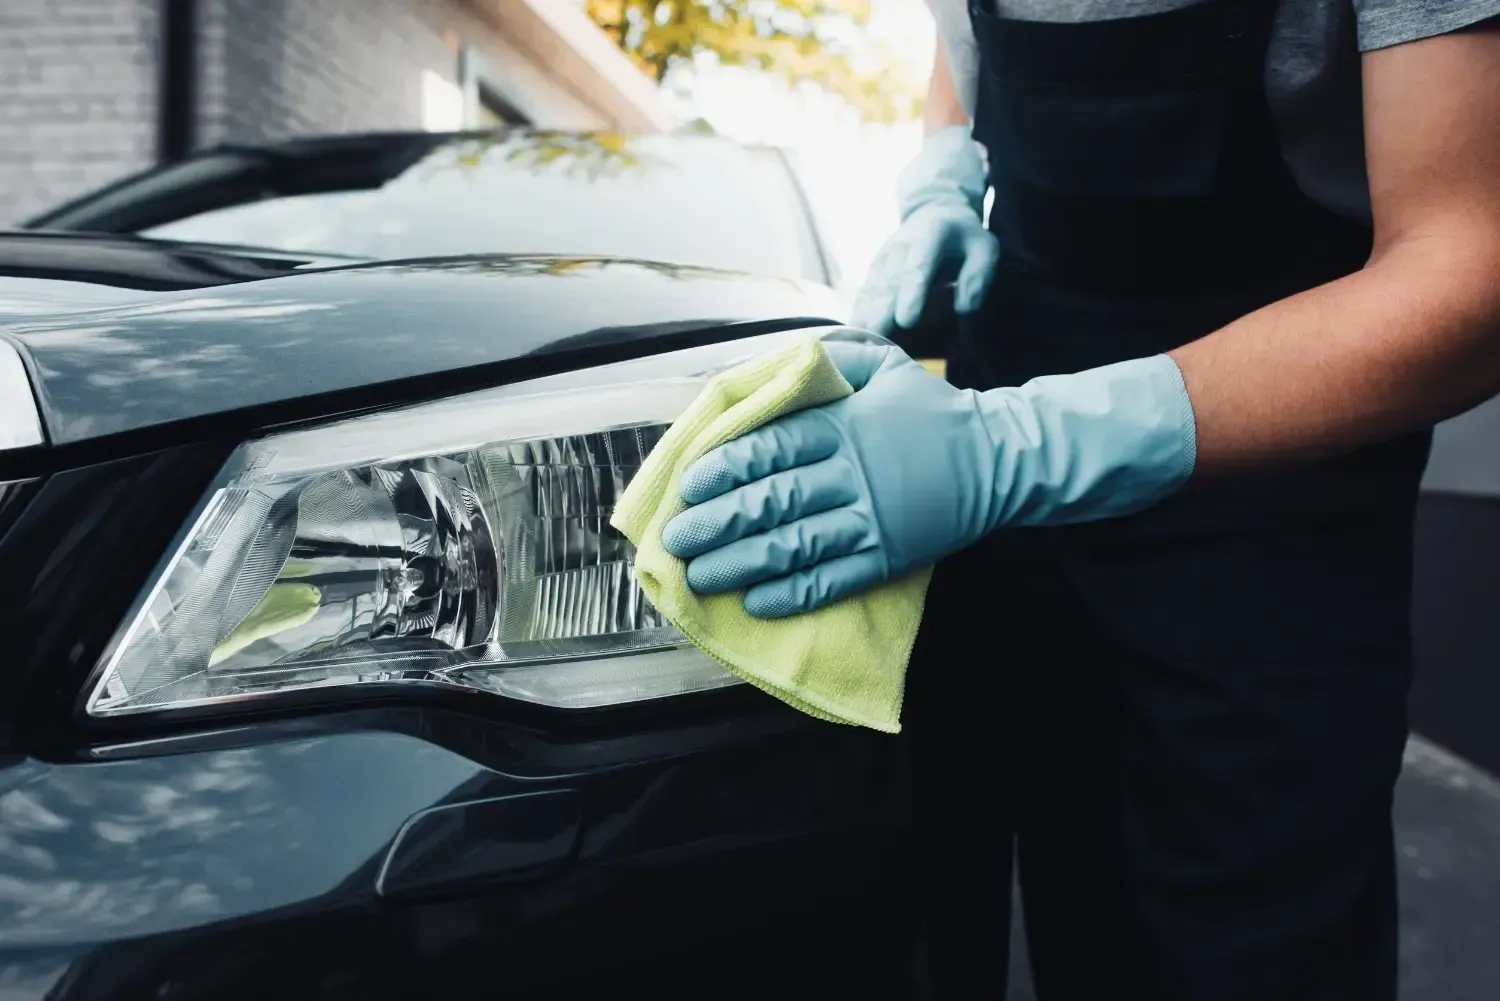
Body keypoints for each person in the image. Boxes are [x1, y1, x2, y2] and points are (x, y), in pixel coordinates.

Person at [660, 1, 1500, 998]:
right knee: (1077, 906)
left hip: (1277, 484)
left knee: (1253, 943)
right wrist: (943, 183)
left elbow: (1470, 269)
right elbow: (964, 46)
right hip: (1016, 433)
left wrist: (1018, 448)